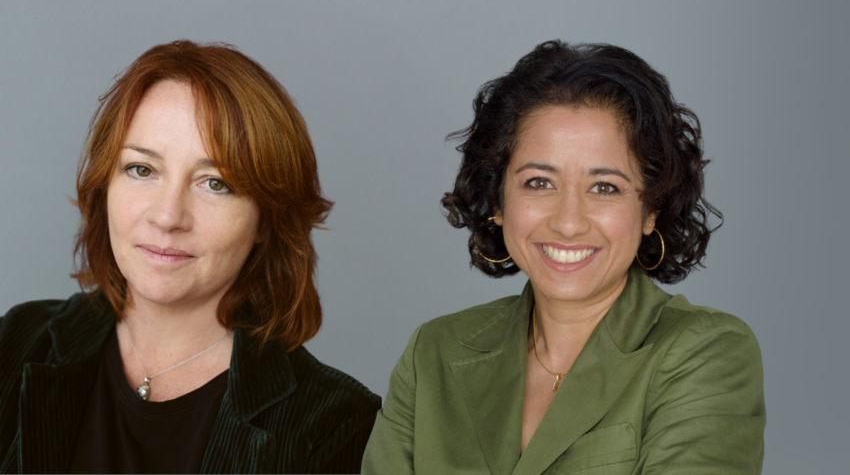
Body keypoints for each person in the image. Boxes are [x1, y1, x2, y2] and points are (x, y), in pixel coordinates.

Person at [363, 41, 765, 474]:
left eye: (605, 187)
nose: (569, 222)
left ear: (651, 209)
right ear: (497, 200)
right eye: (539, 183)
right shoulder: (433, 354)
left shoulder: (707, 353)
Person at [0, 40, 380, 474]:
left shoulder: (335, 426)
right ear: (105, 186)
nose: (167, 217)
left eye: (215, 183)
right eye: (142, 169)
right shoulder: (16, 344)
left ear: (265, 221)